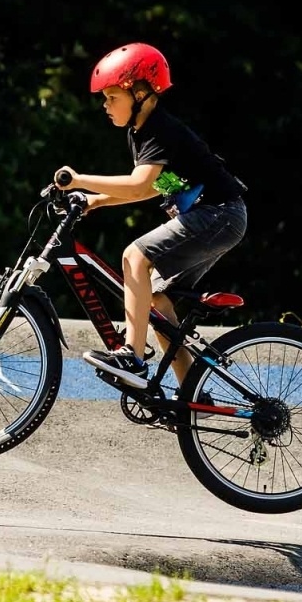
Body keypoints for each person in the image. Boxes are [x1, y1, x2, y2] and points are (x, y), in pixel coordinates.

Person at [54, 42, 248, 390]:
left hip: (219, 214)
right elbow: (148, 189)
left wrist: (78, 179)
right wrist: (95, 202)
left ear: (140, 93)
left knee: (135, 255)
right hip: (219, 218)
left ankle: (132, 355)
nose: (105, 105)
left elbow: (138, 183)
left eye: (112, 97)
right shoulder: (140, 132)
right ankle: (193, 398)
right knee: (157, 305)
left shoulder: (161, 128)